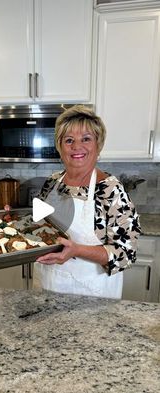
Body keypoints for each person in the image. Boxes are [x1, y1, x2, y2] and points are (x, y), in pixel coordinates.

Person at [34, 104, 141, 299]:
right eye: (69, 140)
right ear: (60, 146)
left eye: (86, 139)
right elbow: (38, 227)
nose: (77, 147)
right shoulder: (52, 182)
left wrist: (77, 250)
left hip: (92, 294)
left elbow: (126, 254)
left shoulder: (111, 190)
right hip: (47, 285)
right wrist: (12, 221)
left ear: (97, 145)